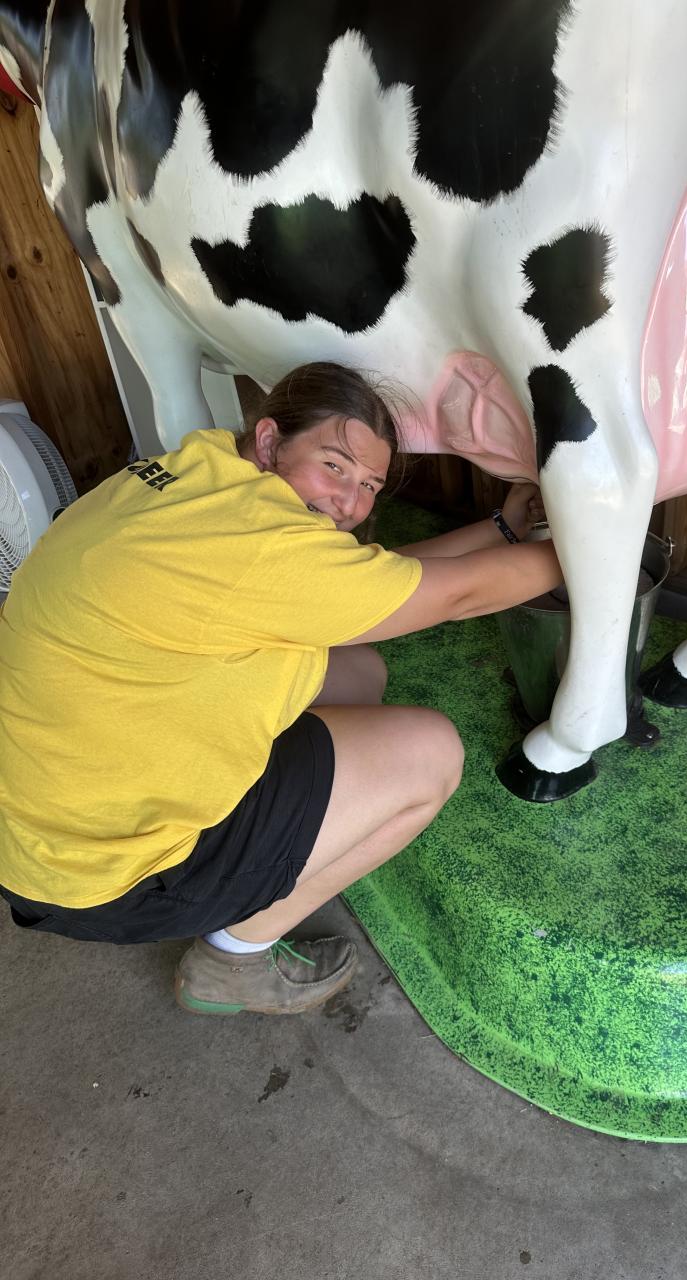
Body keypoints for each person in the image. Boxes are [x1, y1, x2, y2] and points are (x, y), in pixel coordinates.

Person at [0, 361, 561, 1015]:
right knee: (429, 756)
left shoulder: (201, 472)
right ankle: (232, 961)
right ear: (269, 442)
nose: (349, 501)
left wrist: (501, 531)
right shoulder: (259, 550)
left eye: (369, 484)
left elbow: (370, 579)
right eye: (334, 465)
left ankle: (264, 812)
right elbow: (459, 596)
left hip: (47, 811)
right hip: (101, 873)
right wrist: (590, 546)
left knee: (360, 671)